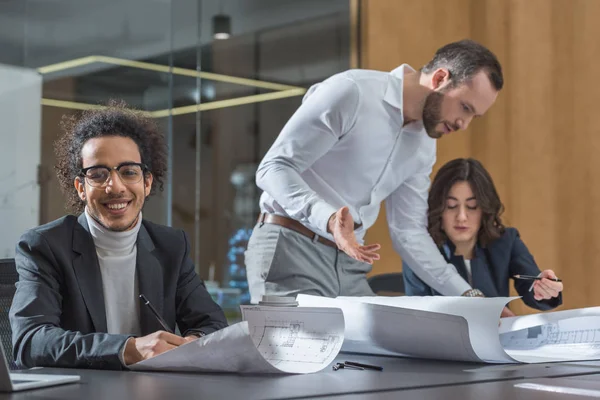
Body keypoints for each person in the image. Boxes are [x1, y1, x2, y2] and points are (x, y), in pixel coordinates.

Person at [245, 39, 503, 304]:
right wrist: (328, 218)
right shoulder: (352, 91)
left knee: (384, 344)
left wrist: (469, 296)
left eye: (475, 116)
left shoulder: (424, 146)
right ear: (439, 78)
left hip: (349, 266)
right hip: (291, 248)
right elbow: (273, 168)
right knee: (301, 346)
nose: (464, 124)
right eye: (465, 107)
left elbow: (409, 231)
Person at [9, 101, 228, 370]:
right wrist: (128, 349)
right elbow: (29, 342)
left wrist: (193, 344)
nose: (115, 187)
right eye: (98, 174)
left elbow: (212, 324)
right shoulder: (45, 246)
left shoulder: (170, 246)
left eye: (129, 172)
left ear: (146, 183)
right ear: (81, 187)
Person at [403, 158, 563, 314]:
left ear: (485, 209)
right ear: (438, 209)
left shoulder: (506, 240)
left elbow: (530, 282)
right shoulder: (420, 249)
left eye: (472, 206)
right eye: (451, 206)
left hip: (496, 337)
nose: (461, 217)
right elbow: (420, 314)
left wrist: (544, 289)